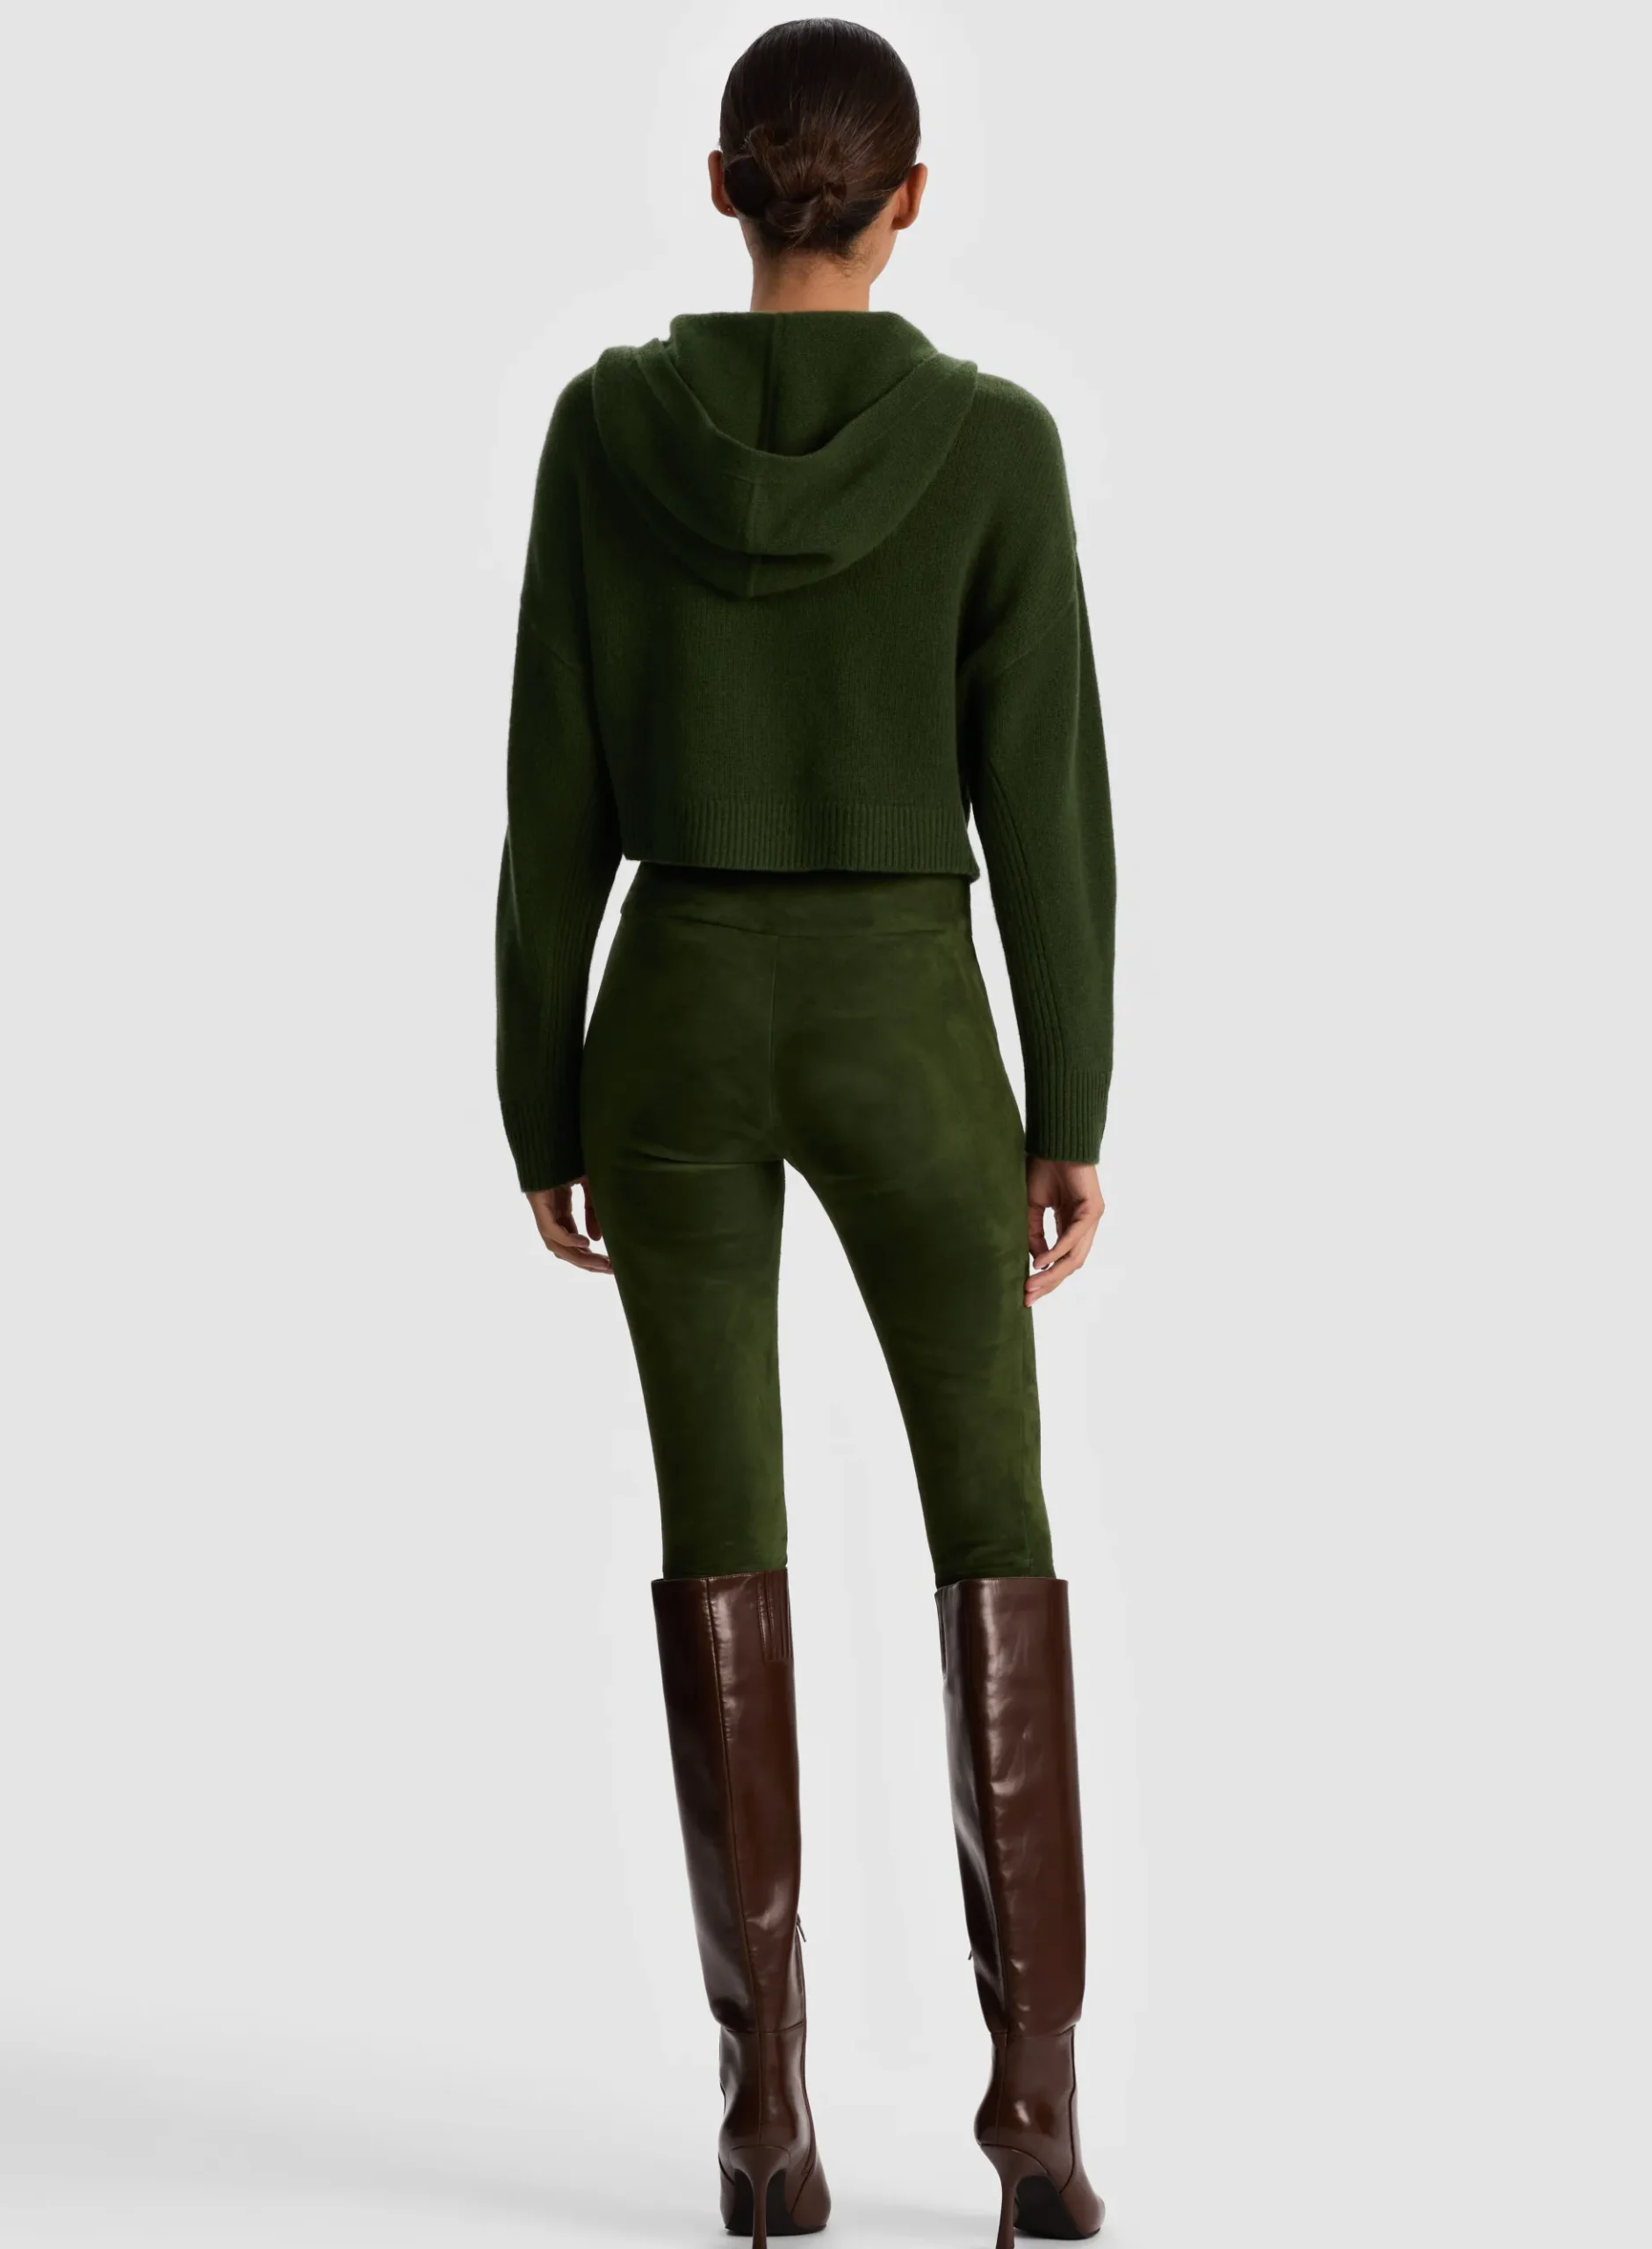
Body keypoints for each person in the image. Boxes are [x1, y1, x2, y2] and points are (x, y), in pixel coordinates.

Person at [494, 20, 1114, 2246]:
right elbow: (1043, 801)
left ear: (725, 187)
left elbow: (551, 786)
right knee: (993, 1515)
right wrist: (1069, 1100)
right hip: (906, 1020)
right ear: (908, 196)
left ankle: (765, 2114)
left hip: (668, 1014)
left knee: (718, 1525)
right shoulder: (993, 447)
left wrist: (538, 1090)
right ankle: (1033, 2110)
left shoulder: (604, 431)